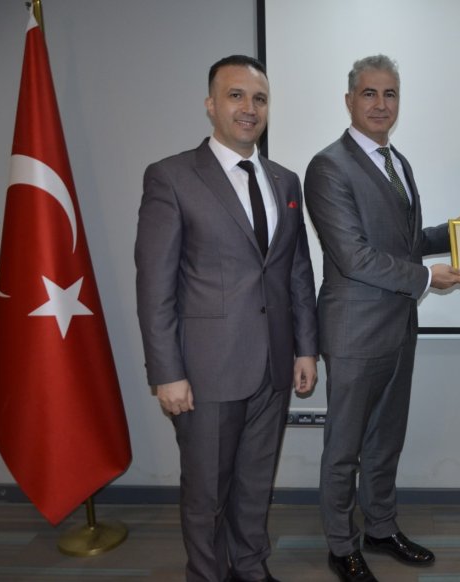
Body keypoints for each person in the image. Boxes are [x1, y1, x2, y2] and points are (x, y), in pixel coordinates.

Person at [135, 55, 318, 582]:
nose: (249, 108)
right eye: (236, 95)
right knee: (207, 493)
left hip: (274, 366)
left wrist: (306, 348)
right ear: (211, 105)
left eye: (259, 99)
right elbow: (155, 286)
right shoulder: (172, 177)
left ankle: (252, 569)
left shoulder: (285, 181)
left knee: (256, 485)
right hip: (205, 372)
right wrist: (166, 372)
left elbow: (297, 271)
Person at [304, 54, 460, 582]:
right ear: (349, 101)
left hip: (399, 326)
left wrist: (452, 233)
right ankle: (341, 544)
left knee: (385, 440)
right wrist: (427, 278)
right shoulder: (328, 166)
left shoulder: (396, 161)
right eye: (369, 93)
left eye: (390, 94)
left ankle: (380, 527)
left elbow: (401, 242)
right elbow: (354, 256)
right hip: (354, 332)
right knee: (345, 447)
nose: (381, 104)